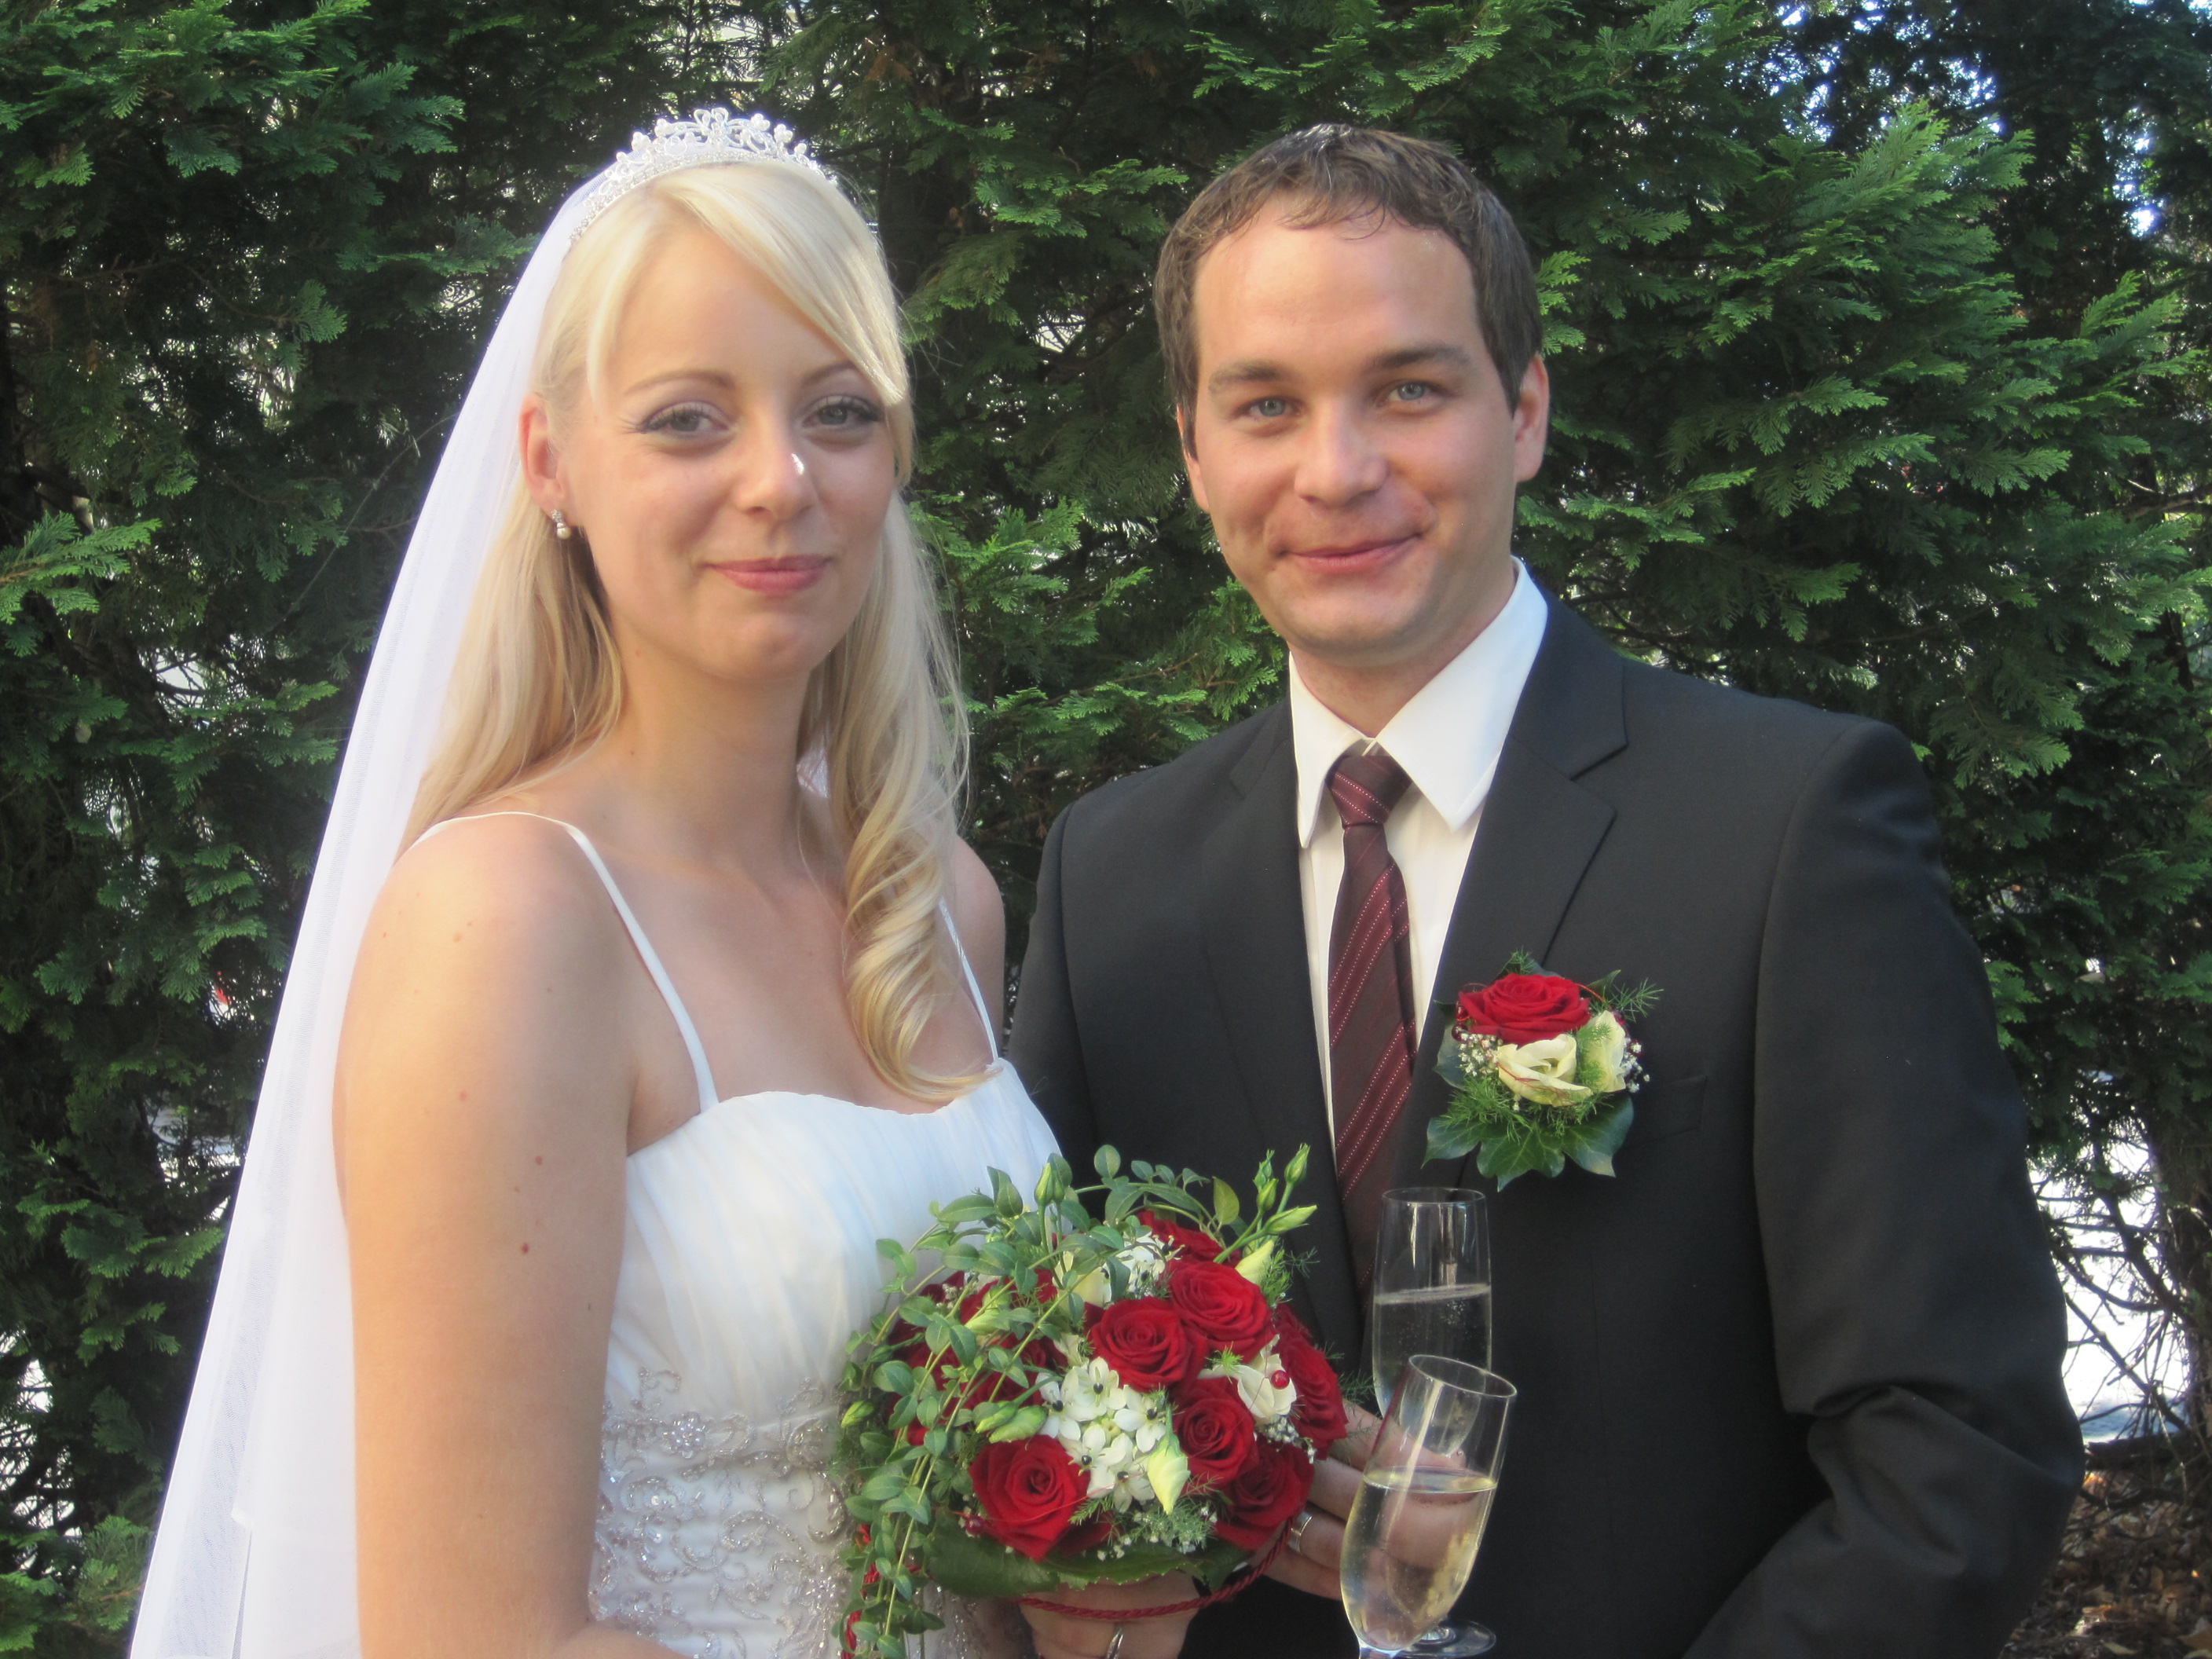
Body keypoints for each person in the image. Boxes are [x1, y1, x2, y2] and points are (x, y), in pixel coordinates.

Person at [1009, 126, 2083, 1658]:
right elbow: (1057, 1390)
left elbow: (1956, 1445)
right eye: (1266, 405)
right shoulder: (1110, 876)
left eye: (1408, 389)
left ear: (1522, 412)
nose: (1337, 470)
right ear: (1194, 454)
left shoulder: (1786, 825)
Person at [130, 112, 1064, 1659]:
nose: (780, 480)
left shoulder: (936, 904)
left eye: (837, 411)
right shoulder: (508, 925)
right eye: (688, 420)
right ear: (551, 462)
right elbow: (473, 1637)